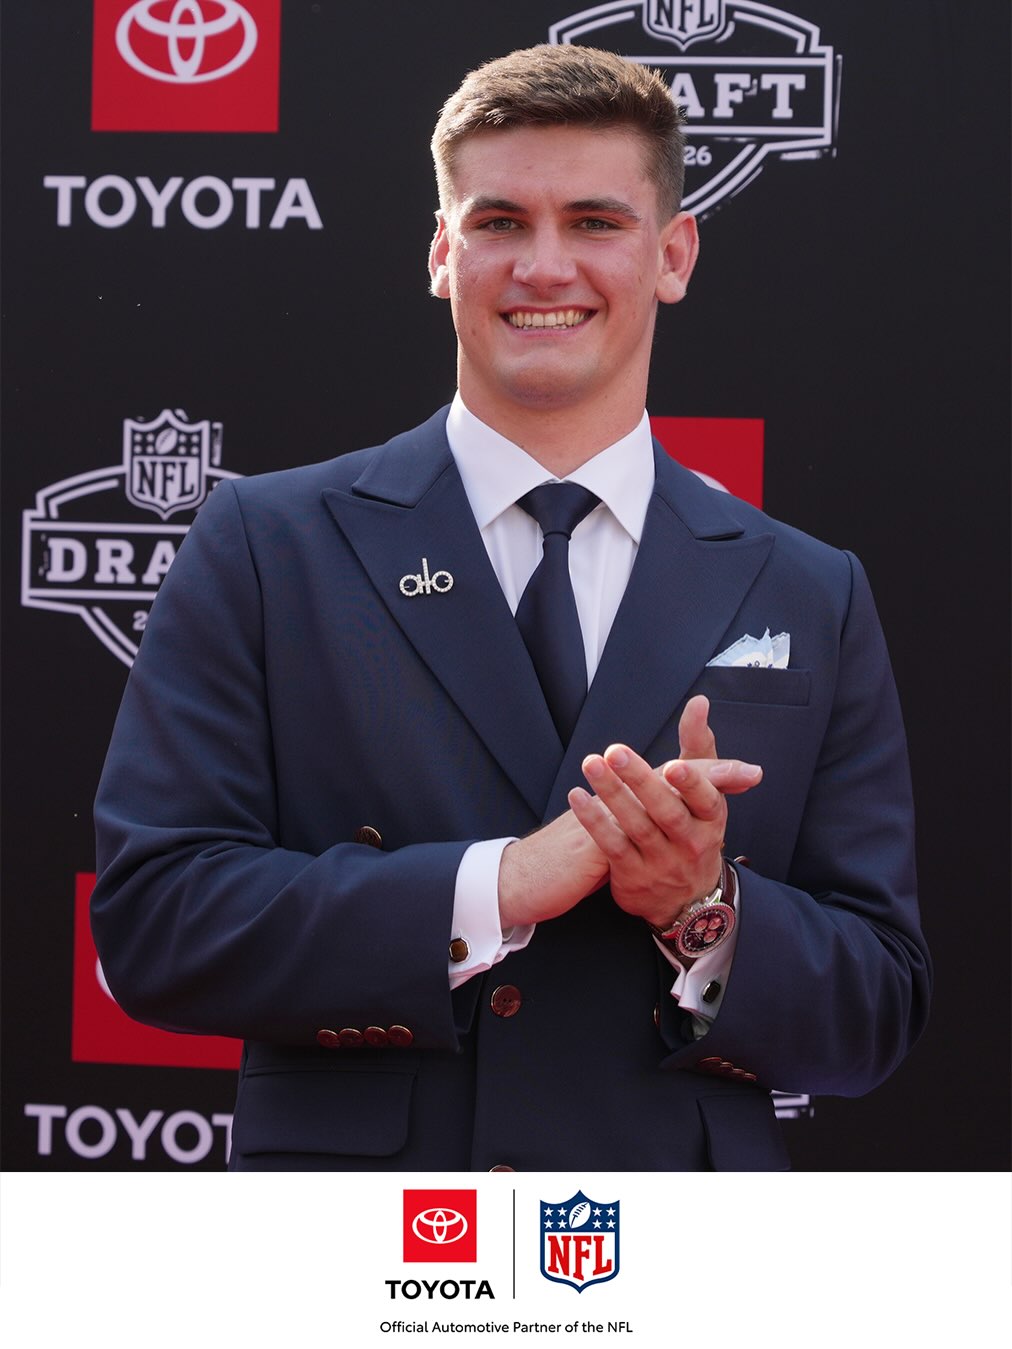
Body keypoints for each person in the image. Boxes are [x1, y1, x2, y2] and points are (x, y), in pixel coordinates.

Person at [92, 45, 930, 1171]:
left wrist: (701, 907)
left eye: (594, 221)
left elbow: (877, 1006)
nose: (544, 266)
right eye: (498, 222)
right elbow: (154, 927)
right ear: (443, 251)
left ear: (672, 253)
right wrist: (491, 885)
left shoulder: (804, 585)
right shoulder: (268, 544)